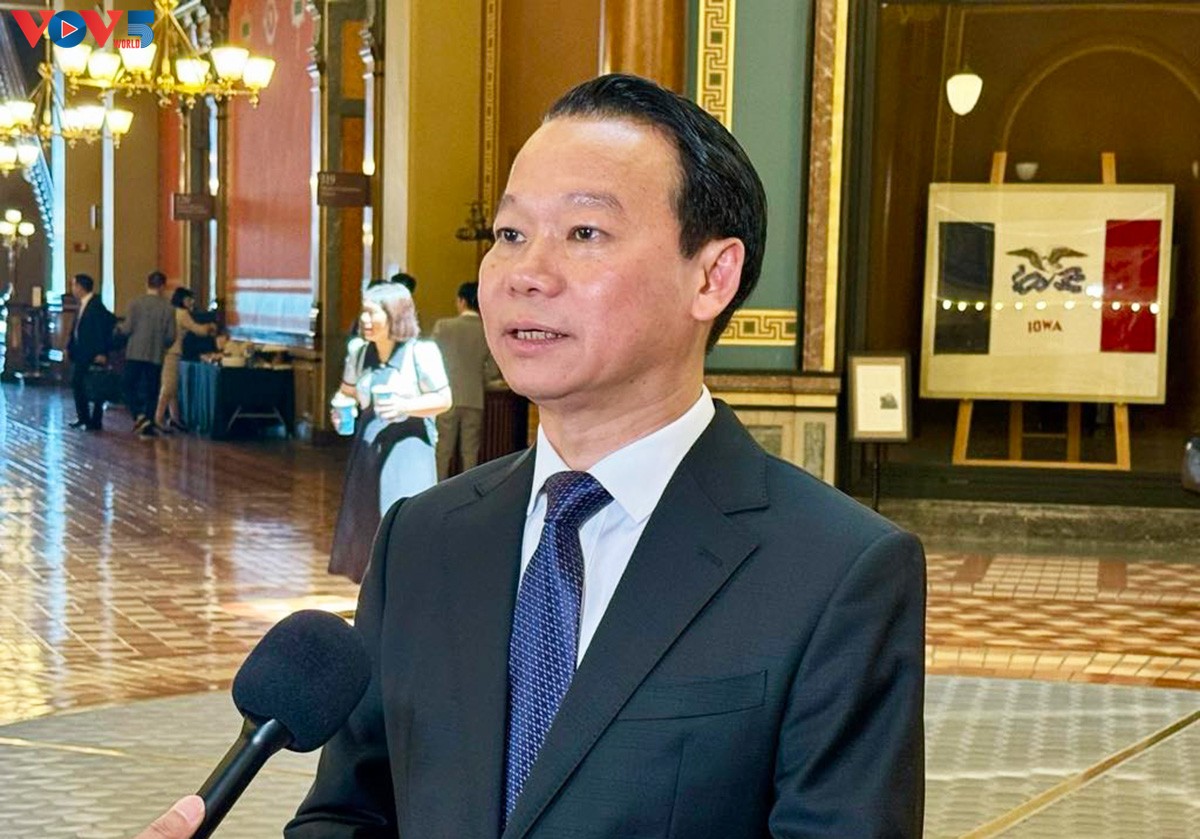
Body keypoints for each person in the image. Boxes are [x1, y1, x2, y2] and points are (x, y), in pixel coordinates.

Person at [140, 73, 924, 839]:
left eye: (584, 234)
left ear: (712, 276)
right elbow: (352, 812)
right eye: (510, 235)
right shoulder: (423, 538)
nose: (525, 274)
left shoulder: (836, 572)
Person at [327, 282, 452, 583]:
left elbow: (444, 399)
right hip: (369, 446)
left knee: (402, 520)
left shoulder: (421, 352)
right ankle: (373, 591)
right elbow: (347, 392)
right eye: (364, 313)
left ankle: (407, 588)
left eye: (372, 313)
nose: (365, 320)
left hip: (409, 448)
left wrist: (405, 406)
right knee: (366, 519)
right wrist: (340, 407)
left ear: (395, 316)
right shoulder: (359, 353)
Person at [432, 281, 501, 479]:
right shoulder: (487, 330)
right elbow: (492, 370)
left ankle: (437, 488)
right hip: (474, 398)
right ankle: (467, 490)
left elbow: (432, 362)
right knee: (470, 451)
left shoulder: (443, 326)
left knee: (442, 450)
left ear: (461, 301)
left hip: (446, 397)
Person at [118, 271, 176, 437]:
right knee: (152, 390)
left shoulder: (135, 303)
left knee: (127, 385)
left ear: (147, 284)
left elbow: (127, 328)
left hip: (135, 352)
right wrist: (163, 344)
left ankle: (139, 415)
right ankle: (149, 423)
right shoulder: (168, 308)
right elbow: (171, 336)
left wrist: (118, 330)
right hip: (156, 354)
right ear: (163, 286)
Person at [153, 287, 216, 434]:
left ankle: (175, 418)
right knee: (169, 387)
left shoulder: (169, 311)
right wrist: (210, 327)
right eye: (189, 299)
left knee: (172, 386)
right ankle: (158, 418)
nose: (191, 302)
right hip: (173, 353)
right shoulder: (182, 313)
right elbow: (197, 329)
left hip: (163, 352)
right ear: (182, 300)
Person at [66, 273, 115, 431]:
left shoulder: (95, 306)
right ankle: (84, 418)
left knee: (93, 385)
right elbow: (76, 329)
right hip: (81, 352)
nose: (72, 289)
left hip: (91, 353)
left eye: (74, 285)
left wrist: (102, 352)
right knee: (79, 384)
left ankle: (93, 420)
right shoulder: (83, 304)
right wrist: (70, 347)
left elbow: (101, 330)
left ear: (80, 287)